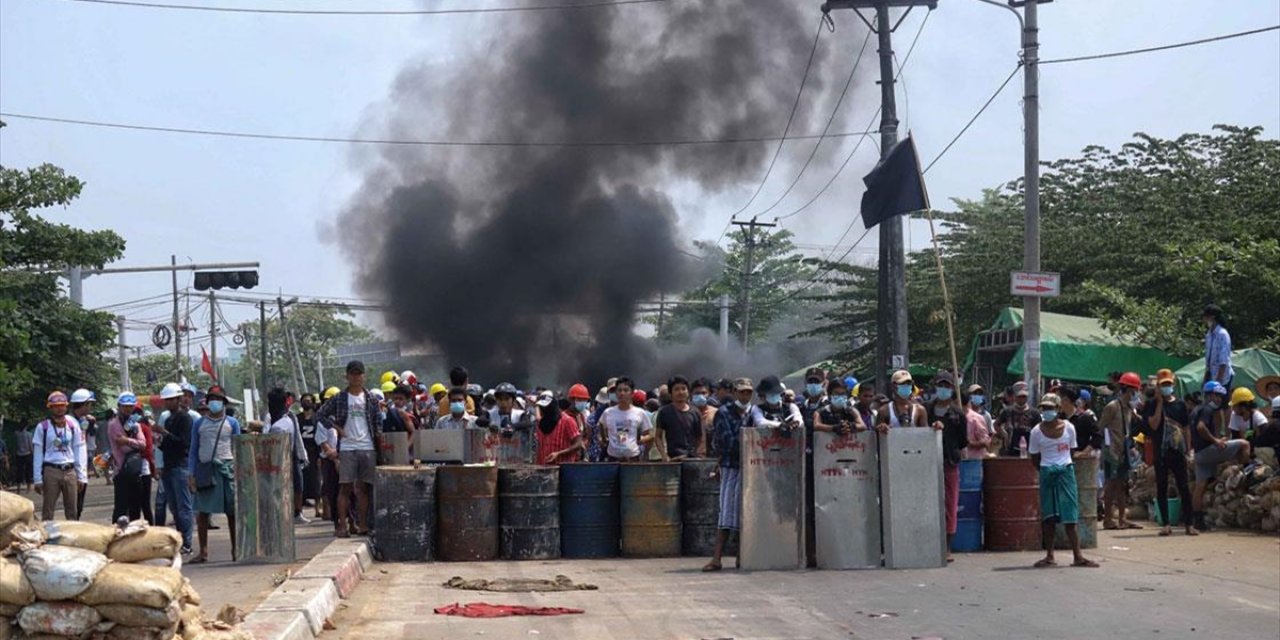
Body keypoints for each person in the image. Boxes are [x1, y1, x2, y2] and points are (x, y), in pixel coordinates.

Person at [1028, 393, 1097, 568]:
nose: (1047, 411)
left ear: (1058, 409)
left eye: (1050, 408)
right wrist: (1047, 468)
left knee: (1070, 516)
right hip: (1047, 472)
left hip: (1066, 471)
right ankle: (1050, 555)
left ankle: (1078, 556)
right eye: (1044, 408)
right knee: (1049, 517)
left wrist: (1059, 466)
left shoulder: (1069, 428)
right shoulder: (1036, 432)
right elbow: (1034, 457)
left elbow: (1072, 451)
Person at [703, 378, 763, 572]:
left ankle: (741, 557)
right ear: (735, 392)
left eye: (749, 392)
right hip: (731, 467)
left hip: (751, 468)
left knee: (745, 513)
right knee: (727, 512)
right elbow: (725, 442)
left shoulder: (754, 412)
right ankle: (717, 558)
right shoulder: (724, 412)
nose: (746, 396)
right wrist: (750, 440)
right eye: (742, 392)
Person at [316, 361, 382, 538]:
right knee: (344, 487)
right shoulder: (339, 398)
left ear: (364, 376)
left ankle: (362, 524)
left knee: (363, 488)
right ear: (347, 376)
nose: (356, 377)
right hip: (347, 447)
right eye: (353, 374)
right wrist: (336, 428)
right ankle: (343, 526)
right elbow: (320, 414)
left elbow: (377, 423)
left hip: (367, 446)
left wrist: (379, 442)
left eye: (359, 373)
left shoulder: (371, 399)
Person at [1140, 369, 1198, 536]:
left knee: (1184, 487)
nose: (1166, 387)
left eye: (1168, 384)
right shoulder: (1151, 405)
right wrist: (1158, 403)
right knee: (1162, 487)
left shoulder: (1180, 405)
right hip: (1161, 452)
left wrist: (1188, 450)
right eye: (1163, 385)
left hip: (1178, 451)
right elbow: (1153, 425)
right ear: (1158, 386)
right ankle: (1165, 524)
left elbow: (1186, 428)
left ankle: (1189, 524)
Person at [187, 385, 240, 562]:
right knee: (202, 512)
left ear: (224, 403)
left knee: (232, 511)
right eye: (211, 400)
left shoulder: (232, 423)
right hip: (205, 470)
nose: (214, 403)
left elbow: (239, 448)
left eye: (218, 400)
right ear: (207, 402)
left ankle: (236, 549)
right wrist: (191, 474)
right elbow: (193, 450)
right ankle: (203, 551)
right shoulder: (199, 423)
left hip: (227, 470)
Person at [1191, 382, 1251, 531]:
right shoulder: (1207, 409)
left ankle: (1197, 520)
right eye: (1216, 395)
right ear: (1209, 395)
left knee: (1200, 486)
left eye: (1220, 396)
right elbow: (1200, 427)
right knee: (1244, 444)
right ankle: (1247, 476)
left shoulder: (1196, 409)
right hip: (1207, 451)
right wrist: (1215, 441)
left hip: (1199, 453)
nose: (1218, 399)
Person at [926, 373, 967, 561]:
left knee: (950, 503)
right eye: (940, 385)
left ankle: (947, 546)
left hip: (949, 460)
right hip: (927, 462)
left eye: (947, 386)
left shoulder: (957, 413)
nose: (943, 389)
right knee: (928, 502)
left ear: (952, 388)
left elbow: (962, 440)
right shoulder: (926, 410)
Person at [33, 391, 88, 521]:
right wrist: (37, 479)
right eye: (56, 405)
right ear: (50, 407)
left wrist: (81, 475)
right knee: (48, 510)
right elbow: (38, 453)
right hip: (51, 470)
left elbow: (78, 449)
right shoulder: (43, 427)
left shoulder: (73, 425)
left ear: (66, 406)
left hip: (70, 470)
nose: (59, 408)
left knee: (72, 511)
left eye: (62, 405)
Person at [1099, 372, 1143, 530]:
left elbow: (1128, 430)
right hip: (1113, 452)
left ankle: (1122, 518)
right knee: (1111, 485)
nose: (1137, 394)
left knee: (1122, 485)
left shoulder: (1129, 409)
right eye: (1135, 391)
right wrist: (1107, 449)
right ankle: (1108, 518)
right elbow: (1101, 428)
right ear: (1129, 390)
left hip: (1124, 450)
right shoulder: (1112, 407)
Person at [155, 383, 194, 554]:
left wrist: (164, 434)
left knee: (184, 507)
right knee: (174, 507)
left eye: (171, 400)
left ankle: (187, 542)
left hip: (181, 466)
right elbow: (169, 445)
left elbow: (184, 444)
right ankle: (180, 540)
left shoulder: (185, 419)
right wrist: (160, 441)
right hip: (170, 466)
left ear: (178, 400)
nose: (167, 403)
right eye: (166, 400)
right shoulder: (169, 419)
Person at [265, 387, 311, 525]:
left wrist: (303, 454)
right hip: (276, 459)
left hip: (293, 454)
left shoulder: (290, 416)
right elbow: (266, 433)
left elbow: (297, 436)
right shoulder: (271, 419)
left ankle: (298, 512)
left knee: (298, 485)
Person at [108, 393, 150, 523]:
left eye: (130, 406)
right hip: (120, 470)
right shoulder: (113, 425)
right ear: (119, 406)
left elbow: (143, 444)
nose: (127, 409)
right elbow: (120, 446)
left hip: (135, 472)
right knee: (120, 509)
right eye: (125, 406)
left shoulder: (135, 425)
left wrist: (127, 440)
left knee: (135, 508)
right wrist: (132, 442)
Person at [598, 377, 652, 463]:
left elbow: (650, 435)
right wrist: (603, 440)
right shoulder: (608, 413)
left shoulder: (640, 413)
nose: (622, 393)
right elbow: (600, 426)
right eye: (619, 390)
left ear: (632, 393)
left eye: (626, 390)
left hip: (633, 458)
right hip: (613, 459)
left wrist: (641, 440)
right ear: (616, 393)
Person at [654, 376, 702, 461]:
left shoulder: (695, 412)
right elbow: (658, 436)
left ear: (688, 392)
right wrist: (664, 455)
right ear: (670, 393)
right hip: (673, 460)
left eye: (683, 389)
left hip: (691, 459)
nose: (680, 392)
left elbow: (699, 436)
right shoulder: (664, 412)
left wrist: (695, 452)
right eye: (676, 389)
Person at [315, 386, 342, 526]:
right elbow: (323, 443)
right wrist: (334, 457)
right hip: (329, 460)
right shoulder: (322, 421)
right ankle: (337, 521)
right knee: (332, 489)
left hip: (345, 457)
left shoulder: (345, 417)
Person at [534, 391, 583, 465]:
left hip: (563, 469)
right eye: (542, 408)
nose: (544, 410)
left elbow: (578, 444)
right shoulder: (541, 424)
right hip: (544, 468)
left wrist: (559, 454)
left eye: (546, 408)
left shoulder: (567, 421)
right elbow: (540, 447)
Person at [68, 388, 97, 517]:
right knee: (72, 506)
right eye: (90, 404)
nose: (91, 407)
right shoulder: (69, 422)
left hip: (82, 466)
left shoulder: (85, 421)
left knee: (78, 506)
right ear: (84, 404)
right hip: (71, 467)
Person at [297, 393, 322, 518]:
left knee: (316, 482)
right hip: (301, 454)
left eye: (308, 401)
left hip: (314, 453)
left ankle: (318, 509)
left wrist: (319, 455)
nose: (306, 403)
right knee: (301, 482)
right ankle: (299, 510)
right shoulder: (297, 418)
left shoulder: (317, 418)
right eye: (304, 400)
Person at [996, 385, 1037, 457]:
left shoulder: (1034, 413)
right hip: (1010, 450)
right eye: (1019, 396)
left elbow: (1039, 430)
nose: (1022, 399)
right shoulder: (1007, 411)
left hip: (1029, 451)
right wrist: (1004, 435)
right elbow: (996, 425)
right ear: (1014, 396)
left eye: (1024, 397)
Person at [1202, 304, 1233, 387]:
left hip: (1223, 378)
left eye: (1206, 317)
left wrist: (1218, 381)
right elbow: (1208, 358)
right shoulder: (1208, 335)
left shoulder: (1222, 334)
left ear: (1212, 317)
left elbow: (1224, 360)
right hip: (1211, 376)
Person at [963, 384, 993, 460]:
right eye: (975, 394)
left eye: (980, 394)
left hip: (977, 457)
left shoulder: (986, 415)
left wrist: (972, 444)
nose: (977, 396)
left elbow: (989, 436)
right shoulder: (963, 414)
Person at [690, 378, 717, 457]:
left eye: (703, 393)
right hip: (690, 458)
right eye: (697, 393)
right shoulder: (686, 413)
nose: (700, 396)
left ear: (709, 394)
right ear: (691, 394)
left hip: (711, 457)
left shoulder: (716, 413)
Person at [14, 422, 34, 493]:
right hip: (28, 454)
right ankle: (28, 489)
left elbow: (16, 445)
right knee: (28, 471)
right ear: (26, 426)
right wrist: (32, 453)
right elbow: (30, 445)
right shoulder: (29, 434)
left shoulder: (16, 434)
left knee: (19, 471)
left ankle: (18, 489)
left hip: (19, 454)